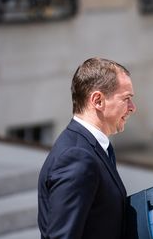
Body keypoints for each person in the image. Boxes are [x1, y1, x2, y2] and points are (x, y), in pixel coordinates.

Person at [38, 57, 136, 239]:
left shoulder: (96, 147)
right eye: (126, 99)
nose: (133, 108)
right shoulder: (77, 158)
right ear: (98, 100)